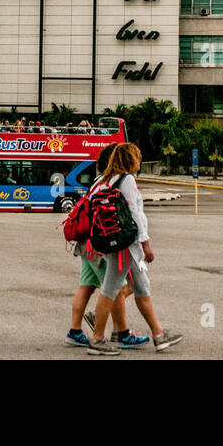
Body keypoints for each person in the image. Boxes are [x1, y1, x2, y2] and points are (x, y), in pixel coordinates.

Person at [85, 143, 183, 355]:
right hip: (126, 245)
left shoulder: (103, 180)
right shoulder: (126, 180)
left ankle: (158, 334)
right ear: (130, 160)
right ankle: (97, 339)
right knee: (110, 289)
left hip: (114, 242)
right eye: (137, 157)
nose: (139, 161)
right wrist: (146, 244)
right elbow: (135, 214)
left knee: (142, 286)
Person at [65, 145, 147, 348]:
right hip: (96, 245)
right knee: (114, 289)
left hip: (85, 242)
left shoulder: (96, 182)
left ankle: (74, 331)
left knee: (86, 287)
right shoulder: (115, 182)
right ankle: (122, 333)